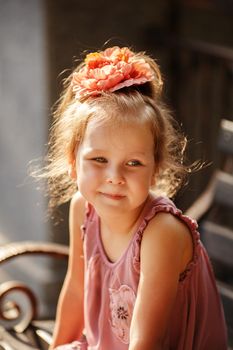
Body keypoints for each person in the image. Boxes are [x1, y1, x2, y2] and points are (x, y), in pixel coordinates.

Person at [45, 46, 227, 349]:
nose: (115, 177)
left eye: (134, 163)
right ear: (72, 162)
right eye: (99, 160)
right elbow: (77, 289)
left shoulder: (161, 233)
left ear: (155, 171)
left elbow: (147, 342)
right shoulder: (83, 208)